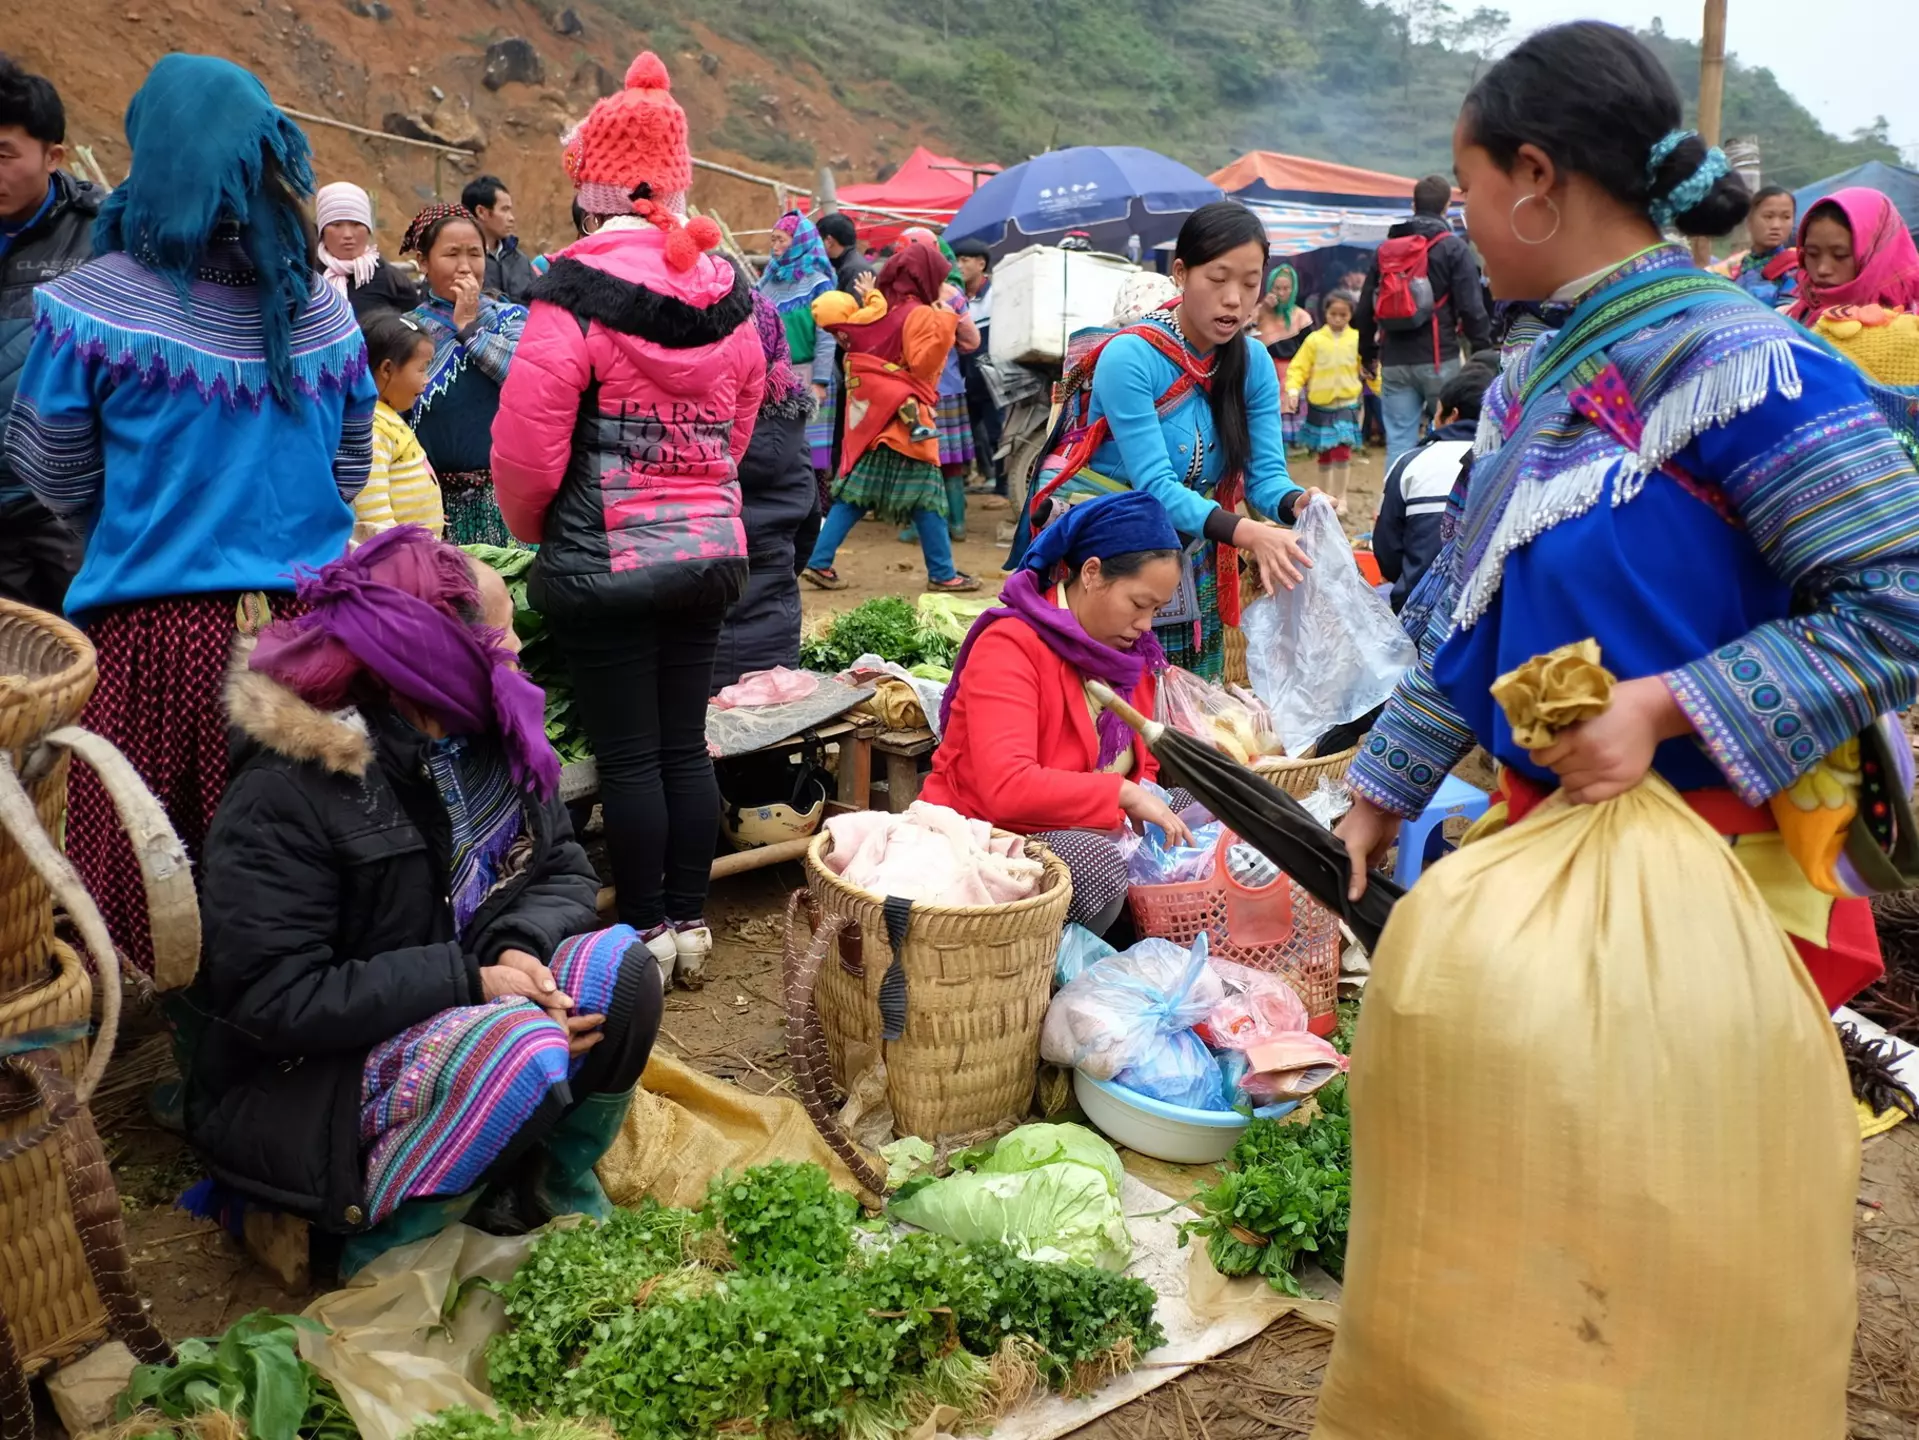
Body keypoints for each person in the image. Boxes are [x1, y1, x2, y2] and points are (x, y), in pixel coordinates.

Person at [1334, 22, 1919, 1066]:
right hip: (1546, 856)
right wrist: (1382, 789)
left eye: (1466, 184)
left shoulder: (1753, 368)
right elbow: (1469, 608)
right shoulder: (1528, 382)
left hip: (1711, 885)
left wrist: (1658, 708)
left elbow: (1894, 601)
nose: (1458, 215)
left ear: (1533, 177)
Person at [188, 527, 660, 1271]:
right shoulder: (287, 790)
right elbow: (271, 998)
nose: (514, 660)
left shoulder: (485, 738)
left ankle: (547, 1181)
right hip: (311, 1085)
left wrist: (517, 953)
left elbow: (562, 868)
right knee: (522, 1048)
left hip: (452, 1015)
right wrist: (473, 985)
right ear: (431, 659)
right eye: (497, 644)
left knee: (620, 970)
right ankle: (387, 1248)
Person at [3, 54, 375, 975]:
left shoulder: (91, 307)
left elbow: (47, 469)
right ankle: (283, 1025)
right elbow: (352, 464)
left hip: (153, 632)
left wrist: (139, 508)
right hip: (309, 630)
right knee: (293, 855)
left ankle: (190, 1043)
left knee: (155, 862)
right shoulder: (322, 316)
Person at [491, 50, 764, 990]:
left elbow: (527, 450)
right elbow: (738, 421)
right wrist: (694, 490)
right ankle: (692, 922)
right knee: (683, 742)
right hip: (707, 552)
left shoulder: (572, 294)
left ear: (591, 189)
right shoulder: (728, 294)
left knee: (629, 755)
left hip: (603, 560)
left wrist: (534, 532)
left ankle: (644, 932)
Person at [1021, 202, 1311, 681]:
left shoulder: (1254, 362)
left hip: (1191, 553)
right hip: (1111, 561)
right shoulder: (1130, 356)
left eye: (1249, 282)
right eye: (1218, 279)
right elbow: (1154, 484)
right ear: (1180, 273)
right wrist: (1248, 533)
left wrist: (1298, 502)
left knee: (1191, 702)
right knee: (1108, 704)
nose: (1235, 300)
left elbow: (1265, 479)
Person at [922, 491, 1196, 934]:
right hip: (998, 836)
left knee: (1198, 816)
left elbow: (1143, 767)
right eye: (1139, 605)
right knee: (1091, 863)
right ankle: (1060, 978)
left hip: (1093, 824)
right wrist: (1121, 795)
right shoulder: (1011, 645)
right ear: (1091, 573)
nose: (1147, 625)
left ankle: (1139, 950)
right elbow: (1006, 788)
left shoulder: (1131, 655)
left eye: (1157, 610)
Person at [800, 243, 980, 593]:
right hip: (907, 426)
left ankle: (819, 562)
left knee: (853, 497)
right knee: (927, 497)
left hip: (873, 421)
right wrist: (946, 320)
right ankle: (943, 574)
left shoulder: (883, 308)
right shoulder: (919, 313)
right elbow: (923, 364)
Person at [0, 53, 97, 615]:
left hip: (66, 511)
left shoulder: (100, 240)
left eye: (4, 155)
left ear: (54, 156)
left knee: (88, 660)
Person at [402, 202, 525, 547]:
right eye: (451, 254)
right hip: (436, 504)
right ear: (423, 262)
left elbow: (526, 381)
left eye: (475, 253)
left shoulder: (512, 319)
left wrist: (470, 328)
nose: (465, 267)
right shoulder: (408, 333)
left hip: (506, 501)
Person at [712, 294, 818, 689]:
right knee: (769, 741)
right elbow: (808, 529)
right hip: (775, 639)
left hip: (697, 638)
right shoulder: (794, 434)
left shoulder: (685, 429)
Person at [1355, 173, 1491, 467]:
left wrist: (1368, 355)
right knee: (1452, 439)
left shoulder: (1385, 251)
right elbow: (1471, 308)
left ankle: (1394, 510)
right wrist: (1484, 353)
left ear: (1413, 204)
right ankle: (1443, 509)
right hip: (1440, 360)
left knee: (1400, 443)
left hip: (1394, 362)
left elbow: (1364, 310)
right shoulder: (1453, 248)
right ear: (1446, 207)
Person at [1373, 362, 1488, 612]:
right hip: (1487, 613)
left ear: (1452, 415)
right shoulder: (1507, 460)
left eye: (1436, 414)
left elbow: (1387, 554)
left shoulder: (1409, 463)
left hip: (1416, 614)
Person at [1788, 188, 1919, 387]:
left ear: (1875, 253)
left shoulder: (1912, 325)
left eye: (1840, 255)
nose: (1822, 269)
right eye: (1812, 254)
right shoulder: (1791, 317)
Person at [900, 227, 981, 539]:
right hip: (947, 384)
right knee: (951, 459)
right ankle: (957, 523)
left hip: (911, 387)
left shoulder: (898, 294)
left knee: (919, 456)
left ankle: (917, 527)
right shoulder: (952, 294)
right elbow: (972, 340)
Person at [757, 211, 838, 473]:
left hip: (810, 375)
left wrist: (820, 381)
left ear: (799, 241)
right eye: (773, 240)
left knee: (812, 455)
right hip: (777, 379)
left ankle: (817, 510)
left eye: (782, 240)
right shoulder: (767, 283)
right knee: (781, 450)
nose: (776, 246)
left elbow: (827, 337)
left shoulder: (819, 285)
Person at [354, 309, 442, 539]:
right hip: (399, 562)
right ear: (387, 369)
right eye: (422, 368)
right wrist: (396, 555)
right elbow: (375, 515)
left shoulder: (387, 417)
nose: (427, 378)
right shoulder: (373, 427)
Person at [1282, 291, 1364, 512]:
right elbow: (1299, 367)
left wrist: (1381, 388)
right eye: (1333, 313)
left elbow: (1371, 368)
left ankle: (1342, 497)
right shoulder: (1315, 340)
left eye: (1343, 314)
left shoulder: (1357, 339)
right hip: (1321, 405)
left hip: (1347, 403)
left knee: (1342, 452)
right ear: (1325, 313)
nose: (1337, 318)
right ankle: (1325, 499)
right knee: (1325, 453)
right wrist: (1292, 390)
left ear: (1350, 315)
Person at [314, 180, 419, 318]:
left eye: (357, 224)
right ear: (322, 231)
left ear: (368, 229)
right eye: (336, 224)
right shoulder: (304, 278)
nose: (347, 235)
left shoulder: (393, 281)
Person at [953, 237, 1005, 496]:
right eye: (957, 260)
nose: (959, 265)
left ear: (981, 263)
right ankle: (972, 477)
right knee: (965, 432)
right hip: (963, 379)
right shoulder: (956, 296)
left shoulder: (996, 296)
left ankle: (1003, 487)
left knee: (998, 431)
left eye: (965, 260)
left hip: (991, 378)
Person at [1255, 263, 1314, 451]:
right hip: (1266, 373)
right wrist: (1262, 311)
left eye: (1286, 288)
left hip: (1292, 375)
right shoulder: (1260, 313)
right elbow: (1242, 335)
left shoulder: (1301, 317)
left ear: (1293, 289)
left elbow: (1310, 351)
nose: (1281, 292)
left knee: (1290, 415)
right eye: (1277, 288)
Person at [1716, 184, 1799, 309]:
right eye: (1768, 216)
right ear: (1749, 220)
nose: (1776, 225)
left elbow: (1788, 312)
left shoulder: (1794, 269)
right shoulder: (1735, 267)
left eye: (1786, 217)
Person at [463, 173, 534, 303]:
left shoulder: (520, 261)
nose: (511, 218)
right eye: (504, 210)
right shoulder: (460, 263)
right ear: (481, 212)